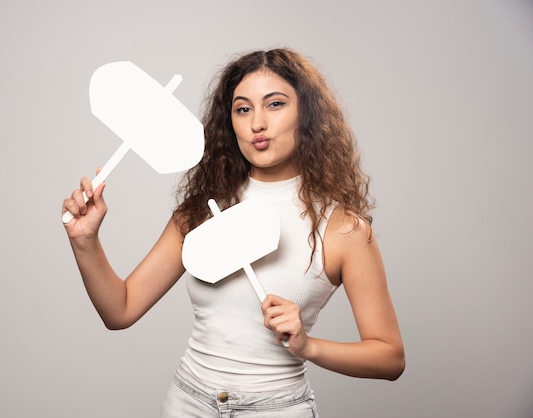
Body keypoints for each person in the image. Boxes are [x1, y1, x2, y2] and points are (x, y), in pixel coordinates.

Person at [62, 48, 405, 417]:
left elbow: (390, 357)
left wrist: (309, 346)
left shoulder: (343, 229)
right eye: (243, 109)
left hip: (276, 409)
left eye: (275, 104)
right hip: (188, 404)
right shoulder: (200, 210)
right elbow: (121, 310)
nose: (257, 123)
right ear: (231, 123)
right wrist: (85, 241)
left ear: (306, 114)